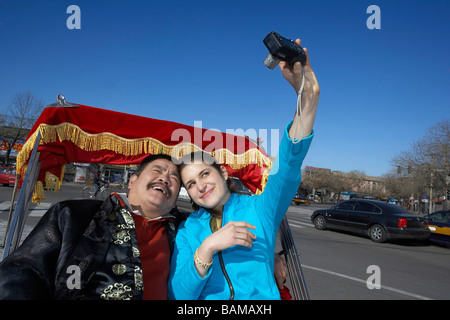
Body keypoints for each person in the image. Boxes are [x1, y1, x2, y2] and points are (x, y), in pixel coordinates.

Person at [0, 155, 287, 299]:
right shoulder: (74, 215)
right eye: (157, 171)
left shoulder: (183, 230)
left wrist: (269, 256)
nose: (165, 178)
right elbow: (24, 272)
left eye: (175, 179)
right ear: (132, 181)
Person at [168, 38, 320, 300]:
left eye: (204, 174)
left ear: (224, 173)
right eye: (191, 184)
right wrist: (207, 248)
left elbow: (287, 166)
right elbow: (178, 296)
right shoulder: (188, 231)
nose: (200, 186)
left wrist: (306, 98)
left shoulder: (261, 209)